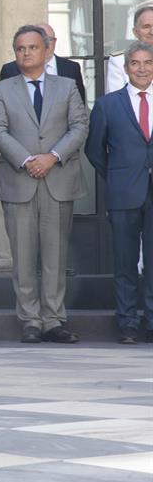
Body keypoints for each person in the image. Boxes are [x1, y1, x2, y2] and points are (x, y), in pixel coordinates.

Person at [0, 25, 89, 345]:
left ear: (46, 51)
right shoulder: (3, 89)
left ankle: (54, 320)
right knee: (23, 256)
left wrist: (52, 156)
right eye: (19, 48)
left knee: (55, 257)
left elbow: (79, 125)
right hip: (19, 181)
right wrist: (28, 159)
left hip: (58, 180)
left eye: (32, 47)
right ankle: (30, 320)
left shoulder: (67, 85)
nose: (25, 53)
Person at [85, 41, 153, 345]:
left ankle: (151, 322)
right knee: (125, 262)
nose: (142, 68)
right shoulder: (107, 104)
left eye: (148, 63)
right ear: (126, 68)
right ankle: (126, 322)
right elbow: (94, 148)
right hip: (124, 192)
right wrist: (115, 176)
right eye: (135, 63)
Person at [0, 23, 85, 102]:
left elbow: (79, 105)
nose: (46, 44)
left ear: (55, 41)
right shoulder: (10, 70)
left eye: (48, 40)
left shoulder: (71, 68)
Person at [106, 4, 153, 93]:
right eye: (146, 27)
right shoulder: (119, 61)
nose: (152, 32)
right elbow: (115, 101)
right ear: (135, 32)